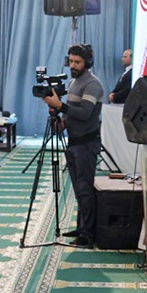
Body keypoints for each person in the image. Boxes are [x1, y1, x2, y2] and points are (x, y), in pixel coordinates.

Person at [42, 44, 104, 247]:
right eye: (71, 61)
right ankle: (82, 227)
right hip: (73, 142)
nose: (73, 65)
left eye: (77, 62)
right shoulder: (72, 82)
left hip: (87, 143)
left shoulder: (93, 84)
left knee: (85, 190)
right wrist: (62, 121)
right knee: (78, 190)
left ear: (88, 62)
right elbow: (72, 113)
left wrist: (60, 105)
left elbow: (85, 113)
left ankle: (88, 236)